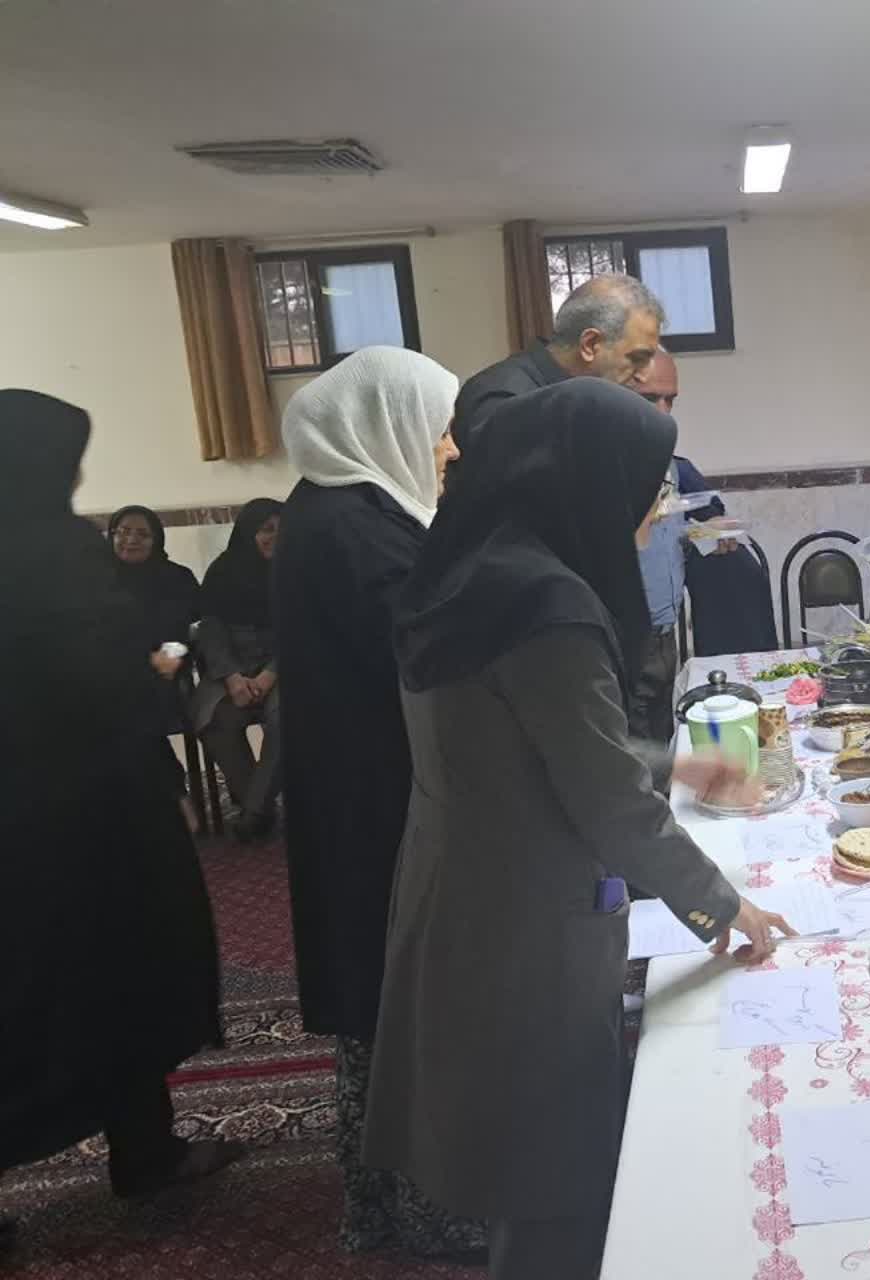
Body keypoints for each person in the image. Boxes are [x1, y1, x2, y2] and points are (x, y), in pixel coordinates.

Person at [366, 378, 796, 1280]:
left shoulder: (473, 568)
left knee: (514, 1145)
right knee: (550, 1161)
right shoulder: (547, 605)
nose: (657, 506)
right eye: (649, 483)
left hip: (460, 883)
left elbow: (519, 737)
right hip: (525, 915)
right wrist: (723, 906)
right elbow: (606, 804)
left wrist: (668, 762)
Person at [1, 391, 241, 1243]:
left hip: (35, 816)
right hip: (86, 818)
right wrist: (158, 671)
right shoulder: (54, 554)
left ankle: (148, 1148)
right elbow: (104, 684)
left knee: (84, 982)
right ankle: (144, 1152)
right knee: (99, 978)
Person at [272, 348, 483, 1257]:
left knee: (383, 1000)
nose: (448, 450)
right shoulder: (354, 530)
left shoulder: (336, 510)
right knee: (406, 996)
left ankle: (386, 1200)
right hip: (382, 801)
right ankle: (428, 1208)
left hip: (360, 790)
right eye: (437, 430)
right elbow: (427, 652)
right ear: (384, 423)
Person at [628, 347, 731, 742]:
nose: (663, 412)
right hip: (625, 637)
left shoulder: (668, 464)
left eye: (670, 400)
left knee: (662, 742)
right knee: (635, 751)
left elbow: (669, 528)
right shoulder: (598, 464)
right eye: (650, 398)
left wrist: (704, 531)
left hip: (664, 629)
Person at [449, 273, 665, 452]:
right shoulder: (502, 397)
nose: (644, 376)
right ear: (590, 345)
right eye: (637, 358)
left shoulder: (588, 397)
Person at [190, 497, 284, 842]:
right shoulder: (223, 571)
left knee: (287, 718)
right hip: (231, 666)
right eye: (266, 529)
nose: (275, 537)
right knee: (215, 719)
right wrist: (231, 676)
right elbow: (211, 628)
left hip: (284, 667)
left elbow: (305, 629)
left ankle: (254, 813)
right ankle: (256, 805)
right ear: (248, 533)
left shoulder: (300, 569)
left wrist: (270, 674)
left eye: (283, 529)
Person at [107, 503, 202, 826]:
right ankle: (172, 794)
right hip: (113, 671)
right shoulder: (97, 579)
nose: (130, 540)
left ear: (157, 539)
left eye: (142, 534)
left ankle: (170, 795)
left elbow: (186, 632)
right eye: (122, 532)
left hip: (163, 669)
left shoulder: (177, 578)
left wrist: (166, 658)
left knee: (134, 708)